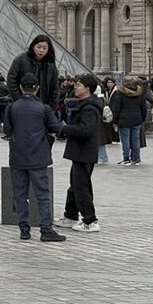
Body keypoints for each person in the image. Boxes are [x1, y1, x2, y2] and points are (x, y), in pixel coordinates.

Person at [3, 74, 65, 242]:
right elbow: (56, 127)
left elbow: (7, 130)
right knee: (42, 195)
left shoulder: (12, 107)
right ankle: (46, 230)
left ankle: (24, 229)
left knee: (20, 194)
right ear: (37, 88)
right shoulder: (44, 108)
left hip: (17, 157)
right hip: (38, 157)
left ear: (21, 88)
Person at [55, 74, 103, 233]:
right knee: (75, 185)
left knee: (82, 186)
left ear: (87, 89)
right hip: (80, 151)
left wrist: (64, 128)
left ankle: (90, 220)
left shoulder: (90, 108)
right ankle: (70, 216)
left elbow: (85, 130)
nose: (75, 87)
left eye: (79, 85)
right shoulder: (85, 104)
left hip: (84, 151)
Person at [8, 35, 60, 112]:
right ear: (33, 46)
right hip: (23, 105)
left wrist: (51, 108)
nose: (41, 50)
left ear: (49, 49)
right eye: (38, 47)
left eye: (45, 48)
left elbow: (55, 87)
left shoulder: (51, 63)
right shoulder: (20, 60)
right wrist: (19, 100)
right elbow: (11, 80)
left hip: (44, 106)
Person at [109, 77, 147, 166]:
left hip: (124, 119)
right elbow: (144, 107)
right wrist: (142, 118)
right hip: (136, 118)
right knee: (135, 139)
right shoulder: (139, 92)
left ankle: (126, 158)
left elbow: (116, 108)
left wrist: (114, 120)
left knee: (125, 140)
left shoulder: (120, 93)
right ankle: (136, 158)